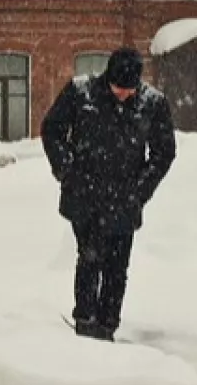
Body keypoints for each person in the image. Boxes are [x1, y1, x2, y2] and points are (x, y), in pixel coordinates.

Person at [41, 47, 176, 342]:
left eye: (129, 90)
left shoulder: (152, 103)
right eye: (117, 88)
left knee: (117, 268)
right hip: (84, 197)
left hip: (124, 200)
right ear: (108, 78)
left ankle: (107, 326)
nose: (122, 95)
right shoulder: (80, 93)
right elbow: (52, 130)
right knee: (90, 258)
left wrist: (141, 191)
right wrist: (67, 171)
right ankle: (85, 322)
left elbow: (164, 153)